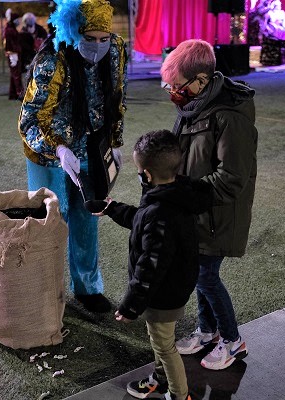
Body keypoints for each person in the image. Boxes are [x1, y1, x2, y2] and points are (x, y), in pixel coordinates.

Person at [18, 0, 127, 313]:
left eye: (103, 38)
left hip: (91, 148)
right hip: (48, 153)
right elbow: (29, 120)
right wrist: (58, 148)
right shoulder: (53, 59)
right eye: (89, 38)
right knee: (49, 219)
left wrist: (114, 141)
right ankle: (45, 291)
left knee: (87, 215)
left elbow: (116, 96)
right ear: (74, 32)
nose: (98, 45)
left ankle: (88, 288)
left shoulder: (116, 50)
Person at [160, 39, 258, 371]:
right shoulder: (195, 105)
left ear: (201, 80)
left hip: (217, 214)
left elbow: (232, 177)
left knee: (205, 275)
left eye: (177, 85)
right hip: (197, 210)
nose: (173, 92)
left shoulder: (230, 115)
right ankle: (207, 331)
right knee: (201, 273)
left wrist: (184, 192)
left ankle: (232, 341)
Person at [96, 130, 211, 400]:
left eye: (139, 171)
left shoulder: (161, 212)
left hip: (164, 295)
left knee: (165, 347)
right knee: (159, 341)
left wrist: (130, 306)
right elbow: (142, 220)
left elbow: (149, 267)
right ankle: (160, 380)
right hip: (172, 288)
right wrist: (112, 208)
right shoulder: (172, 196)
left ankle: (179, 395)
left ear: (147, 174)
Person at [19, 12, 48, 92]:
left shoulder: (40, 29)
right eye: (28, 20)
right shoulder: (23, 32)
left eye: (31, 19)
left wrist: (40, 43)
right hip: (28, 57)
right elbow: (23, 45)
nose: (30, 21)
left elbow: (45, 38)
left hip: (40, 55)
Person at [3, 8, 23, 100]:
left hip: (14, 54)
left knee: (14, 74)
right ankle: (19, 93)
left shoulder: (11, 29)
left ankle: (13, 93)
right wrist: (11, 53)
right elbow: (8, 44)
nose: (18, 21)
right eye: (17, 20)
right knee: (16, 74)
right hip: (13, 54)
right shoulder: (9, 30)